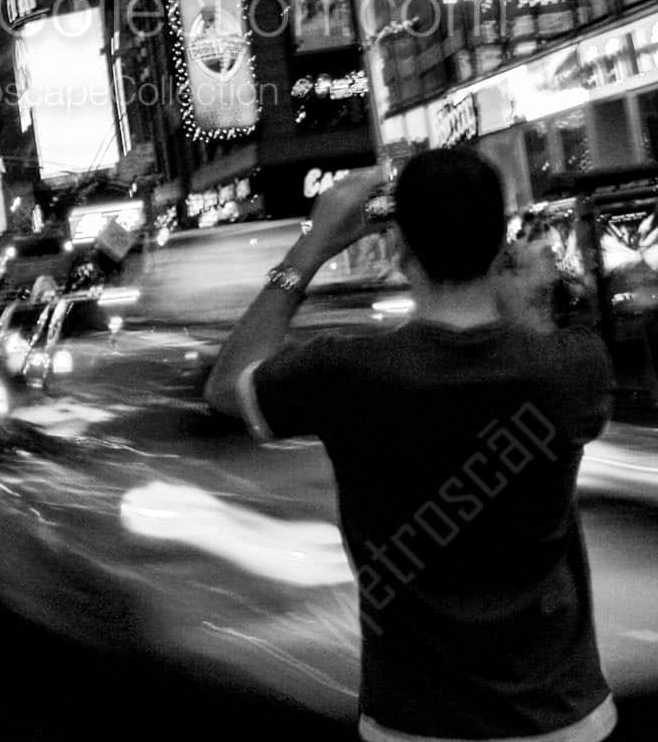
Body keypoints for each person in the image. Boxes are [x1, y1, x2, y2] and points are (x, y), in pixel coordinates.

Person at [204, 151, 616, 742]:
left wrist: (313, 244)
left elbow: (225, 387)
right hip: (563, 718)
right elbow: (535, 361)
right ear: (500, 243)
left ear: (402, 252)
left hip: (413, 721)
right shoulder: (576, 366)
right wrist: (526, 304)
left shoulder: (344, 372)